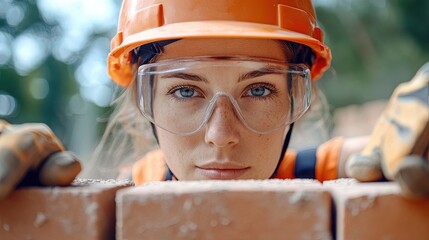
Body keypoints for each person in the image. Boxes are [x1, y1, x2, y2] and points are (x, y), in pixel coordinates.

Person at [0, 0, 427, 200]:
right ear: (142, 100)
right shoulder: (126, 195)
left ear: (300, 97)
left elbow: (374, 154)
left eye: (259, 90)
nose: (222, 136)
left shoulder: (320, 173)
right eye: (186, 91)